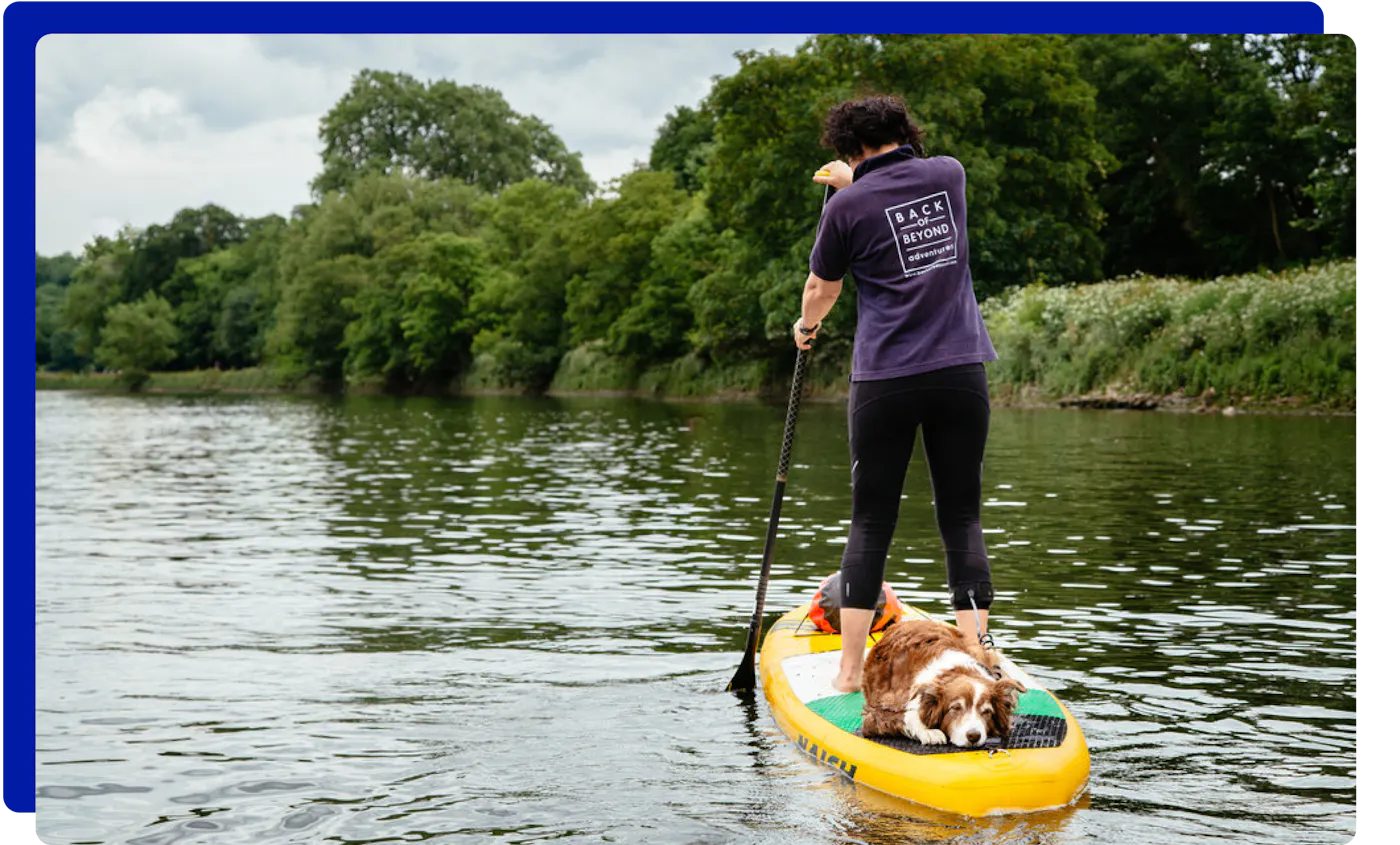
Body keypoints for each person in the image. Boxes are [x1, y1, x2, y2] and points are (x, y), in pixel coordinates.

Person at [795, 95, 999, 693]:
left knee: (871, 521)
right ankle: (980, 654)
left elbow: (820, 288)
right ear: (904, 130)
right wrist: (853, 180)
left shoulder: (845, 205)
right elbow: (900, 190)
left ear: (846, 148)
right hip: (961, 370)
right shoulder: (951, 174)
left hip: (885, 378)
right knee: (962, 515)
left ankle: (850, 671)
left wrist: (806, 330)